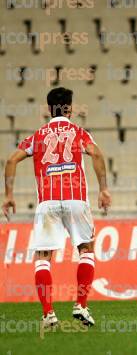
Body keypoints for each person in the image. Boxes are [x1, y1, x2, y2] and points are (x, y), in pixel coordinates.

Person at [2, 87, 111, 327]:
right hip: (76, 199)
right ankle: (81, 306)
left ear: (49, 109)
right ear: (70, 108)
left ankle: (48, 313)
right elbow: (96, 154)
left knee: (43, 257)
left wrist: (9, 195)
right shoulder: (79, 133)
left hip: (48, 202)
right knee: (85, 249)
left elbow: (11, 160)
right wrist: (103, 189)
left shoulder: (38, 136)